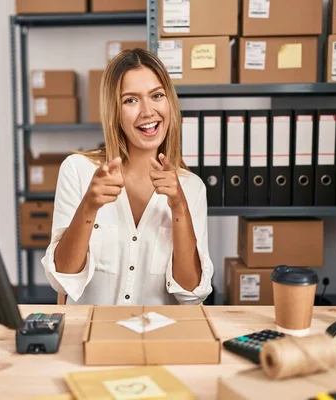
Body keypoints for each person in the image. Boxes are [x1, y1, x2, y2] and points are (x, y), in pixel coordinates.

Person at [41, 48, 214, 305]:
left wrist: (179, 208)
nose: (147, 111)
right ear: (115, 111)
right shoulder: (78, 170)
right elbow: (61, 280)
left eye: (156, 96)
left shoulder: (191, 187)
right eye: (130, 100)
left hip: (156, 339)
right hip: (91, 334)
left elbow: (190, 294)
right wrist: (89, 206)